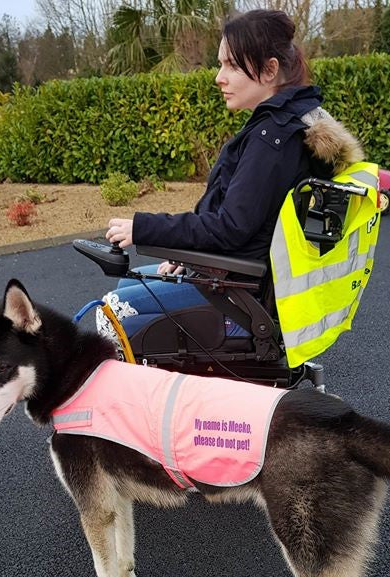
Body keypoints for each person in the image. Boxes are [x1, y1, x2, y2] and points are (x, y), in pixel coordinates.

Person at [98, 8, 363, 340]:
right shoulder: (287, 124)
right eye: (221, 63)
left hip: (238, 294)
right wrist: (189, 260)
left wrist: (144, 227)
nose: (218, 77)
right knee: (129, 281)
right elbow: (241, 225)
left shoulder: (273, 141)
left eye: (232, 65)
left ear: (270, 70)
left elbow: (230, 228)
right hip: (233, 274)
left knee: (113, 308)